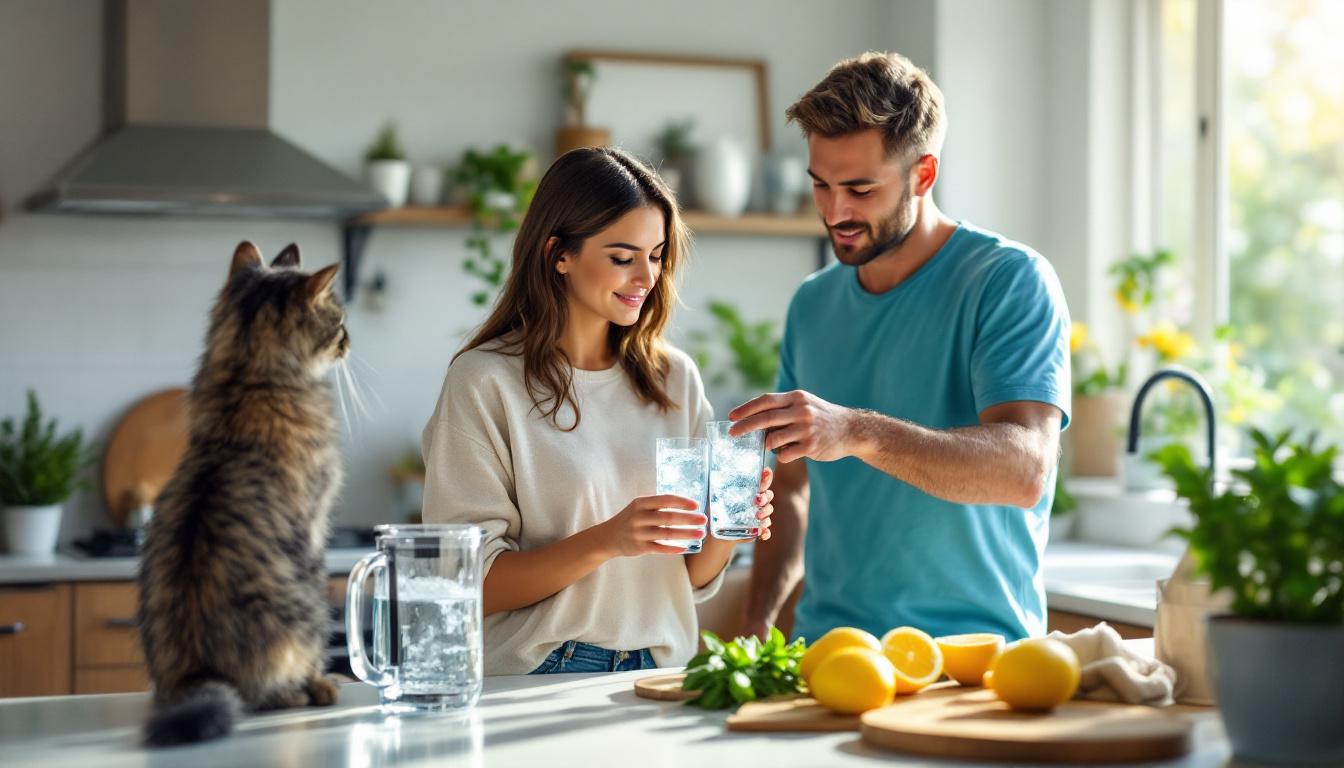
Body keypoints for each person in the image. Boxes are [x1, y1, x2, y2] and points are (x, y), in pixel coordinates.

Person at [734, 52, 1070, 645]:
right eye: (821, 185)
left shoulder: (1008, 280)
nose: (835, 212)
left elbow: (1025, 470)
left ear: (923, 174)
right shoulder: (812, 305)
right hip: (828, 654)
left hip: (973, 659)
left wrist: (857, 431)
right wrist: (757, 621)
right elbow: (791, 489)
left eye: (861, 189)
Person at [422, 146, 774, 676]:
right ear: (558, 254)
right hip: (543, 671)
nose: (646, 277)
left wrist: (731, 526)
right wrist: (609, 539)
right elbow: (468, 584)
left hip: (664, 668)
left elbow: (690, 577)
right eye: (622, 256)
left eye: (656, 255)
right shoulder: (485, 381)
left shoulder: (673, 380)